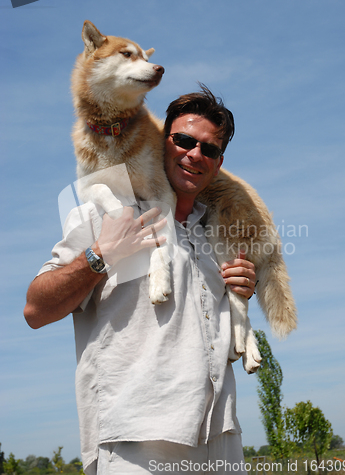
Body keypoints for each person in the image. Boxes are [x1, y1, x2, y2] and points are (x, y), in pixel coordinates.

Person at [24, 87, 256, 474]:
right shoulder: (107, 211)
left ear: (217, 164)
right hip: (137, 437)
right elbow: (36, 309)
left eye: (209, 149)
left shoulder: (217, 235)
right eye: (183, 140)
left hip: (221, 436)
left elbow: (216, 348)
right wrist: (101, 255)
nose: (194, 154)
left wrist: (239, 297)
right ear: (160, 143)